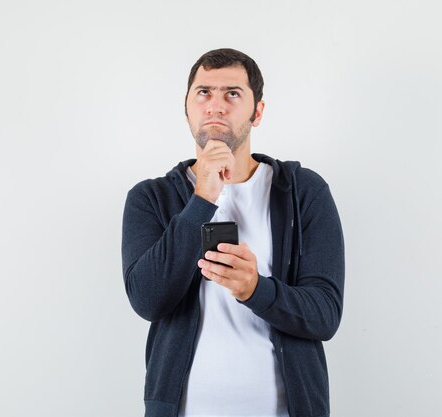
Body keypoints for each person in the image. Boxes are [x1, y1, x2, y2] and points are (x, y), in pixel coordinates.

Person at [122, 48, 345, 417]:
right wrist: (203, 197)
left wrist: (256, 289)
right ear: (187, 107)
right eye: (204, 92)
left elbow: (324, 314)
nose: (215, 105)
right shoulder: (150, 198)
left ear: (257, 112)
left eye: (233, 93)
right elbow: (148, 301)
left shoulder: (303, 191)